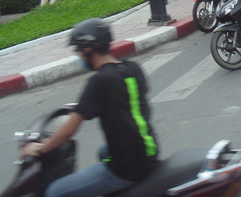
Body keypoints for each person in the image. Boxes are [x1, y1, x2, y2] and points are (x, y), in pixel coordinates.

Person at [21, 18, 158, 197]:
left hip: (127, 168)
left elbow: (68, 132)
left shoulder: (100, 81)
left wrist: (40, 149)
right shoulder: (132, 68)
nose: (79, 57)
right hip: (148, 151)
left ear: (87, 49)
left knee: (54, 192)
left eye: (78, 51)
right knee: (102, 151)